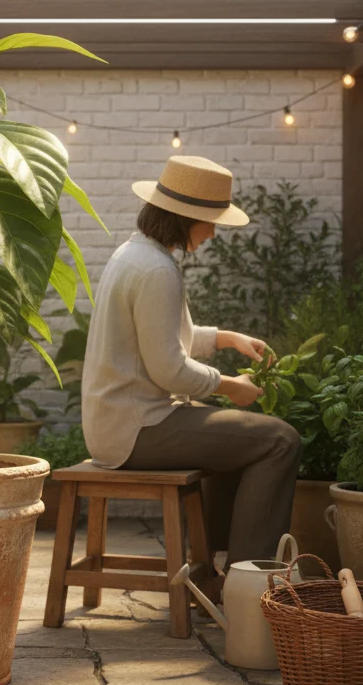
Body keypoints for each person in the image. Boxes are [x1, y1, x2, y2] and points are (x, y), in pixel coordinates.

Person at [80, 155, 301, 570]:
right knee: (279, 440)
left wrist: (227, 338)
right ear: (184, 217)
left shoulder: (133, 254)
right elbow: (169, 370)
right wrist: (231, 385)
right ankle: (247, 579)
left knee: (241, 440)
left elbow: (164, 341)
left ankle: (212, 567)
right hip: (136, 430)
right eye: (210, 221)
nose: (214, 233)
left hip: (118, 424)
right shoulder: (157, 270)